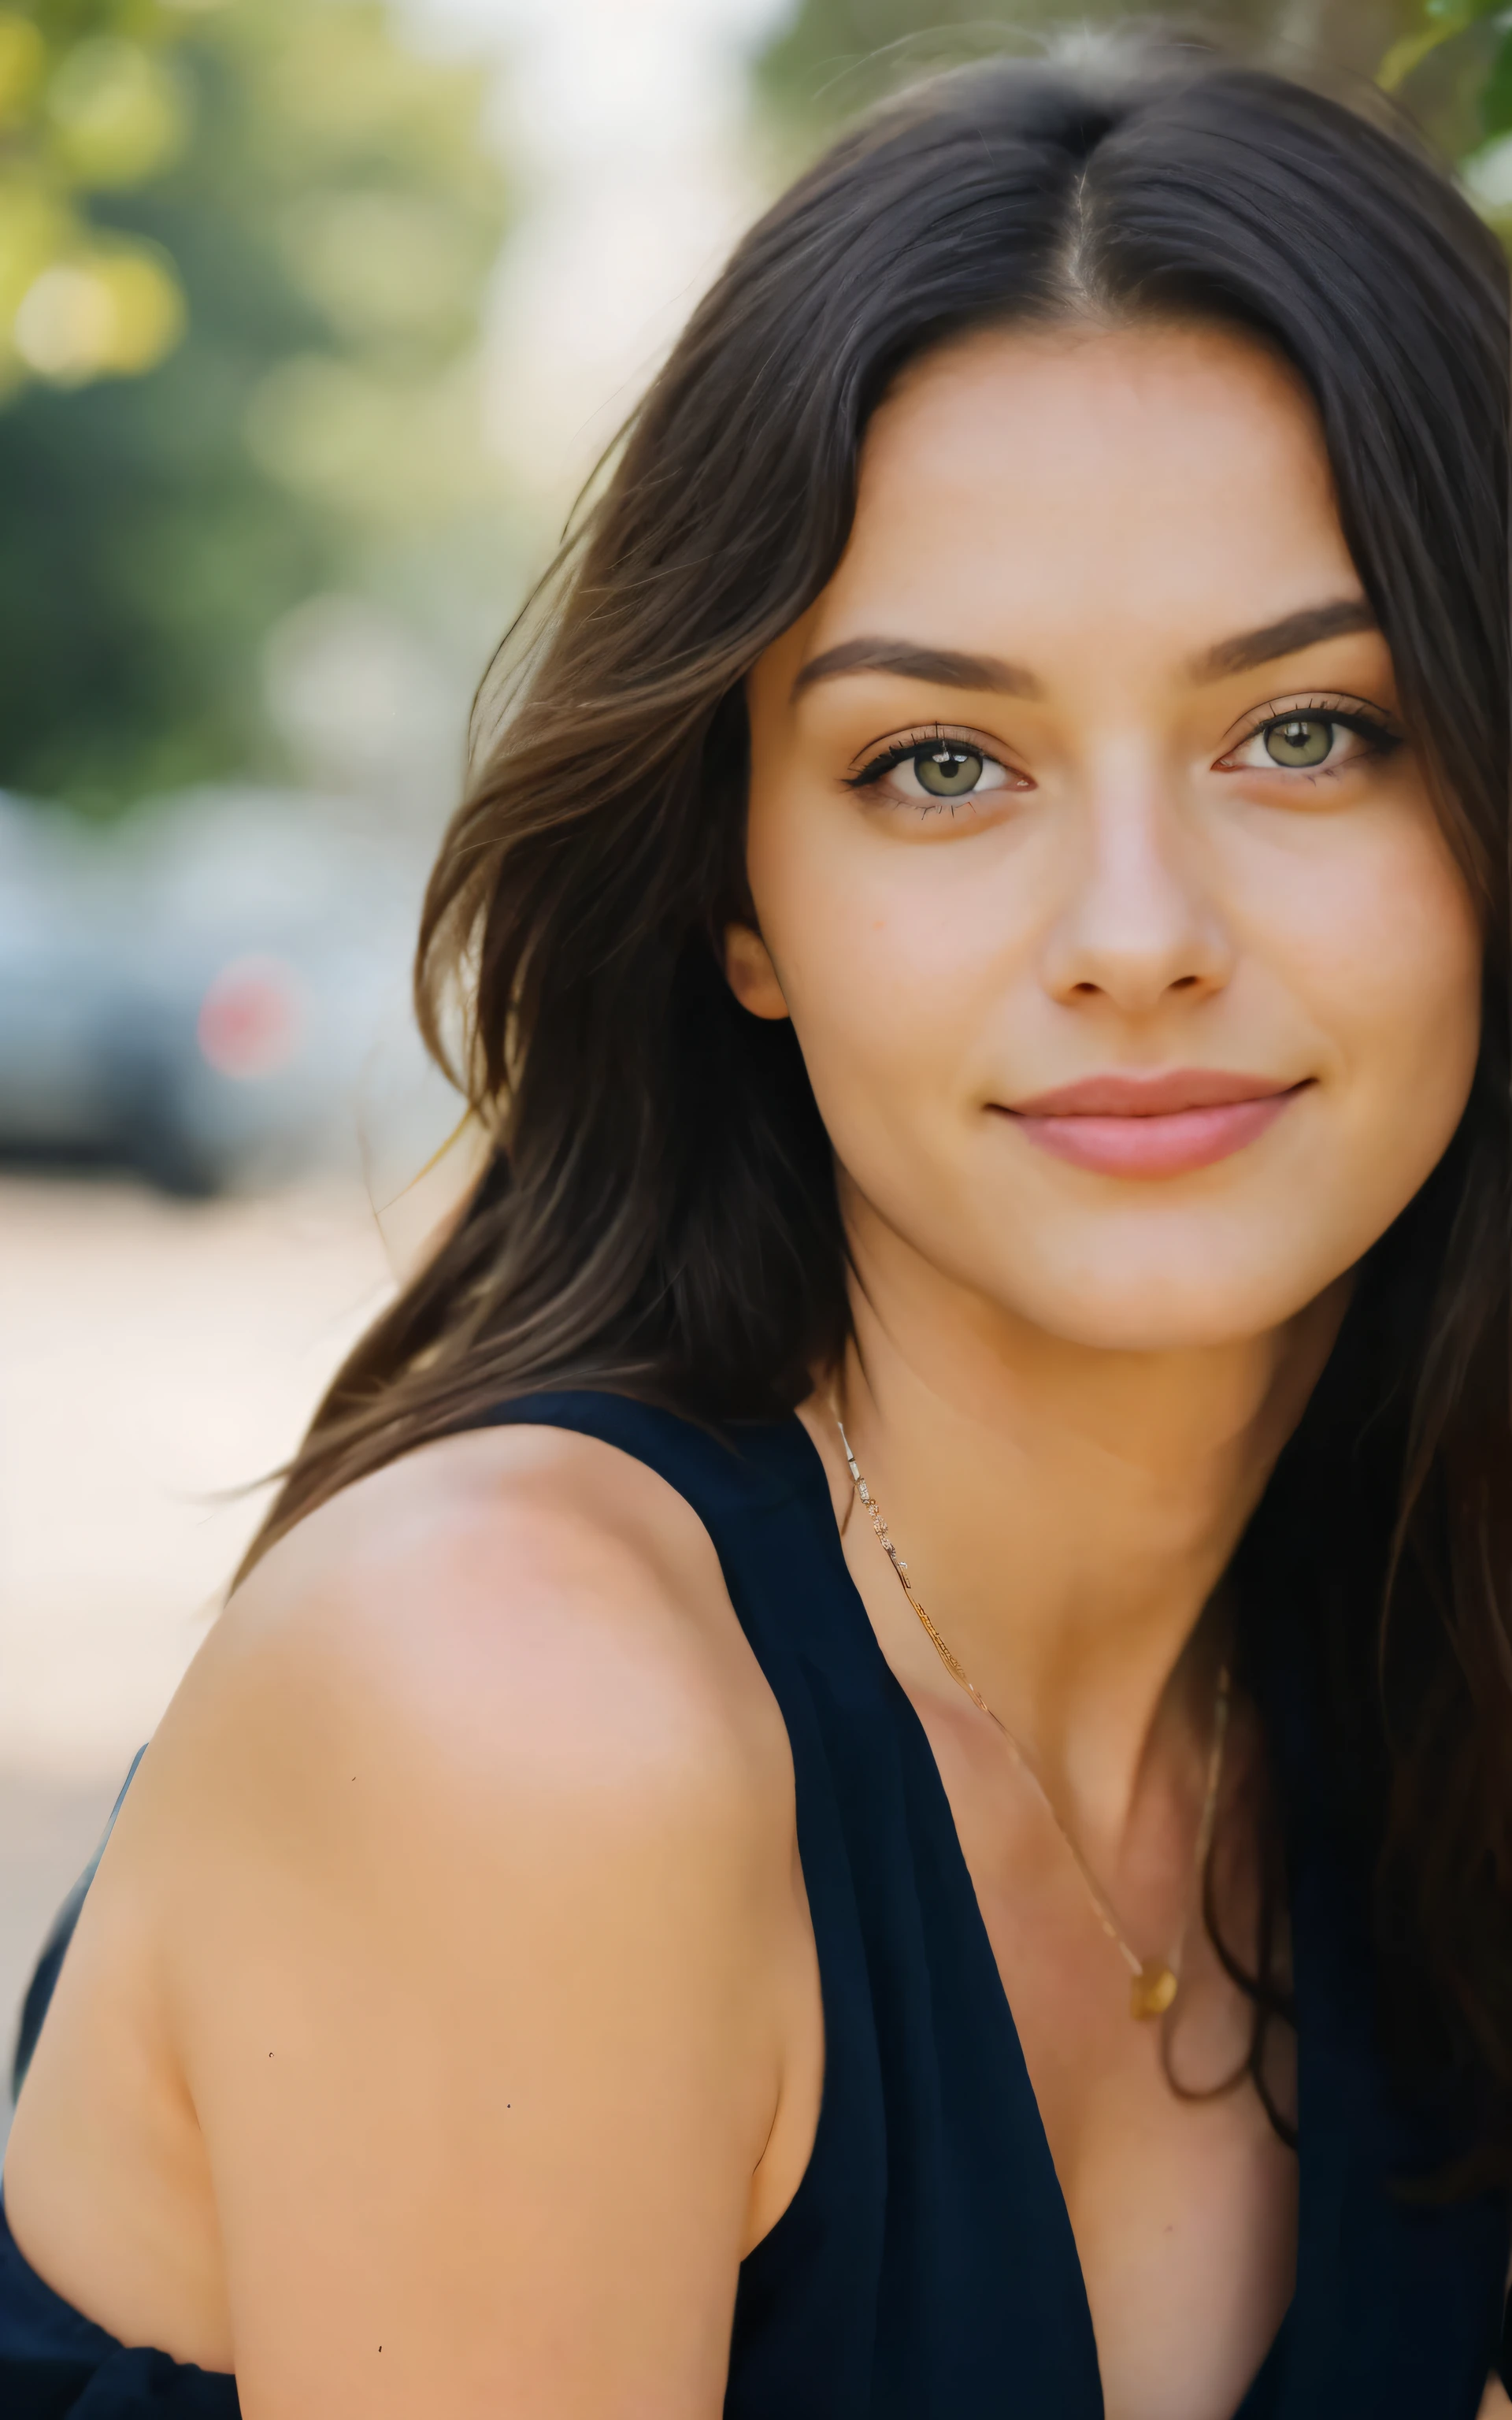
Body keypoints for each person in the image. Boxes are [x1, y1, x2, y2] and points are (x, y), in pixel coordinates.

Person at [4, 28, 1510, 2420]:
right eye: (941, 764)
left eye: (1307, 730)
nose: (1139, 930)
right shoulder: (513, 1706)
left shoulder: (1404, 1673)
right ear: (745, 907)